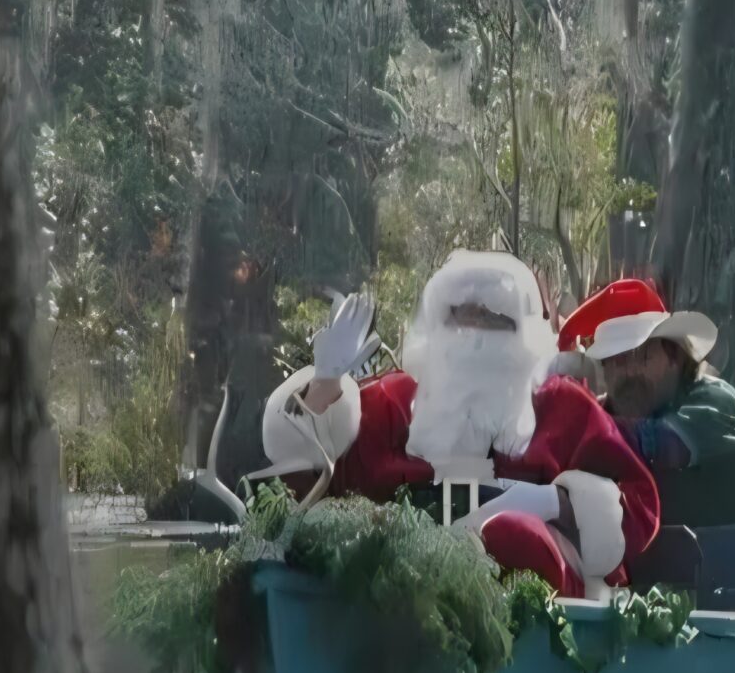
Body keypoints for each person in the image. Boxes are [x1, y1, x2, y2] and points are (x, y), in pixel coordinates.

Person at [252, 250, 659, 598]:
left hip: (542, 602)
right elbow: (306, 489)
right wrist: (325, 384)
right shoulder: (393, 403)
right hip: (404, 608)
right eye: (460, 319)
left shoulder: (564, 409)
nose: (475, 334)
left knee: (516, 537)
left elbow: (635, 504)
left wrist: (552, 504)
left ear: (523, 333)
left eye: (492, 320)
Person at [574, 287, 735, 530]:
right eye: (618, 359)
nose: (630, 372)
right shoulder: (601, 416)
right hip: (653, 566)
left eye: (644, 355)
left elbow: (661, 443)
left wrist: (574, 425)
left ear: (675, 358)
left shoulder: (716, 401)